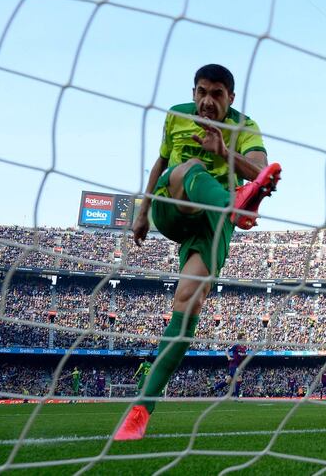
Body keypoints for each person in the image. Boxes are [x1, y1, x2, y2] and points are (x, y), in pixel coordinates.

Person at [115, 64, 281, 441]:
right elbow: (161, 161)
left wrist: (224, 151)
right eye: (202, 92)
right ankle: (233, 202)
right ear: (193, 93)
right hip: (172, 203)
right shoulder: (176, 117)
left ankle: (141, 409)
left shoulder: (245, 126)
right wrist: (141, 212)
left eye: (217, 94)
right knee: (185, 167)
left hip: (212, 223)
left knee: (188, 300)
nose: (207, 101)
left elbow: (259, 169)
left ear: (231, 99)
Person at [214, 332, 247, 398]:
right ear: (240, 339)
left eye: (245, 338)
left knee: (227, 381)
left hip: (238, 365)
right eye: (243, 338)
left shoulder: (245, 347)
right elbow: (226, 350)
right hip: (233, 365)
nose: (245, 339)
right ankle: (236, 397)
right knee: (239, 379)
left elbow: (242, 356)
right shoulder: (236, 346)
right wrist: (228, 357)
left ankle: (214, 389)